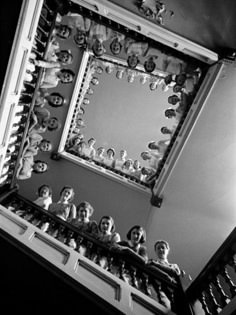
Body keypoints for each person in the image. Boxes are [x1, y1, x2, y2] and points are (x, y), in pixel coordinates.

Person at [148, 240, 181, 309]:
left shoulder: (174, 266)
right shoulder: (152, 263)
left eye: (163, 247)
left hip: (174, 293)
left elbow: (176, 274)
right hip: (159, 291)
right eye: (158, 248)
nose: (160, 249)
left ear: (167, 250)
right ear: (155, 251)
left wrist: (156, 264)